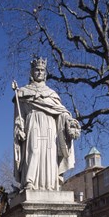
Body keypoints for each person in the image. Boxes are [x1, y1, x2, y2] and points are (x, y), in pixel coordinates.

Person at [13, 57, 81, 191]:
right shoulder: (22, 92)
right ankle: (29, 182)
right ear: (32, 73)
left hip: (50, 125)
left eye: (42, 70)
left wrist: (69, 122)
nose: (39, 72)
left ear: (45, 74)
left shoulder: (51, 94)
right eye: (36, 70)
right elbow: (19, 117)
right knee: (34, 150)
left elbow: (61, 111)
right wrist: (19, 129)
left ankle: (50, 184)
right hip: (32, 123)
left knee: (50, 154)